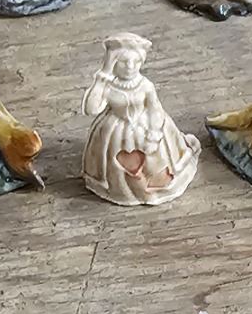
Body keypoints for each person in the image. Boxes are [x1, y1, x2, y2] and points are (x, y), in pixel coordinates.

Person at [81, 33, 200, 205]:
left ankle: (150, 188)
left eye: (136, 61)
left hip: (147, 127)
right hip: (115, 131)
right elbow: (91, 109)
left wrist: (154, 135)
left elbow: (154, 110)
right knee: (116, 164)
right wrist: (104, 74)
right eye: (124, 61)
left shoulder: (145, 85)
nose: (130, 66)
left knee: (157, 165)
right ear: (114, 62)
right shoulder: (109, 86)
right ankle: (122, 189)